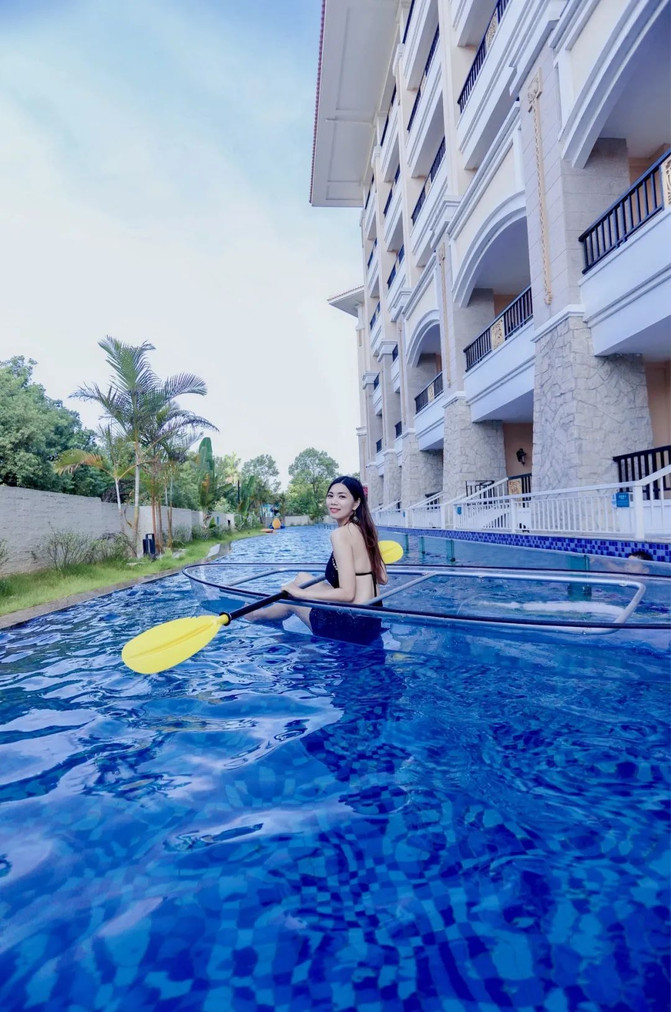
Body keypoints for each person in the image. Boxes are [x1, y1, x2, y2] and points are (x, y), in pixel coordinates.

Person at [264, 476, 388, 644]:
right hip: (372, 620)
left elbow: (347, 593)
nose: (334, 501)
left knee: (291, 599)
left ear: (356, 503)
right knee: (301, 577)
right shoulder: (365, 530)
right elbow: (383, 578)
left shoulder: (340, 535)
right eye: (330, 496)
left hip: (352, 626)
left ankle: (254, 616)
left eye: (342, 496)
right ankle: (272, 618)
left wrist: (300, 594)